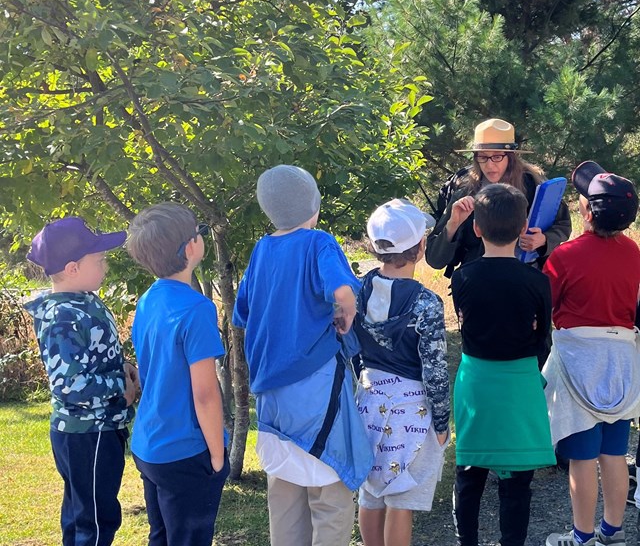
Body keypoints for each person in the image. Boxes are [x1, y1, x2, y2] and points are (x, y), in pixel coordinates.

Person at [232, 164, 373, 546]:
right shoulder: (319, 242)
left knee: (285, 497)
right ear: (313, 206)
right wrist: (345, 312)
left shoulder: (261, 250)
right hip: (315, 391)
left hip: (272, 400)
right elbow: (343, 291)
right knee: (330, 495)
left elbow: (241, 313)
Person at [451, 183, 556, 546]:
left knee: (469, 472)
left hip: (476, 380)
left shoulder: (462, 278)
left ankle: (467, 541)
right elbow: (544, 333)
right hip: (519, 381)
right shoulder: (536, 280)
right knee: (517, 480)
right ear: (523, 224)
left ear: (477, 228)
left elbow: (466, 325)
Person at [24, 216, 138, 546]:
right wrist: (122, 389)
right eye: (99, 260)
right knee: (95, 521)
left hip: (98, 429)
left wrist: (124, 366)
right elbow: (70, 386)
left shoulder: (83, 300)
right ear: (73, 268)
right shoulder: (62, 316)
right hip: (88, 433)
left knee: (81, 516)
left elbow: (96, 355)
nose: (105, 267)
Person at [544, 161, 640, 546]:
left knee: (583, 457)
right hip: (621, 358)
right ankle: (612, 532)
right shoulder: (633, 252)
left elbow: (547, 305)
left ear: (586, 211)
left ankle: (582, 536)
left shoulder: (565, 255)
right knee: (614, 452)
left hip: (578, 359)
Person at [126, 202, 229, 546]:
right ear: (191, 247)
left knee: (163, 536)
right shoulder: (197, 309)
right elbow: (205, 393)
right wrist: (217, 455)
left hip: (149, 444)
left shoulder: (147, 300)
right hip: (186, 451)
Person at [353, 199, 450, 546]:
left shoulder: (358, 290)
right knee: (401, 497)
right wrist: (442, 421)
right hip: (412, 406)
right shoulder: (426, 302)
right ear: (421, 247)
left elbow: (353, 347)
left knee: (370, 491)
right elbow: (434, 368)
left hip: (368, 396)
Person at [427, 118, 571, 277]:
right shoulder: (465, 192)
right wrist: (453, 224)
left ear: (510, 157)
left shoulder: (533, 185)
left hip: (525, 280)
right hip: (476, 283)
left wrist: (543, 240)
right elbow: (434, 259)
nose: (489, 165)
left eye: (496, 156)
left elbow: (563, 224)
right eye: (482, 157)